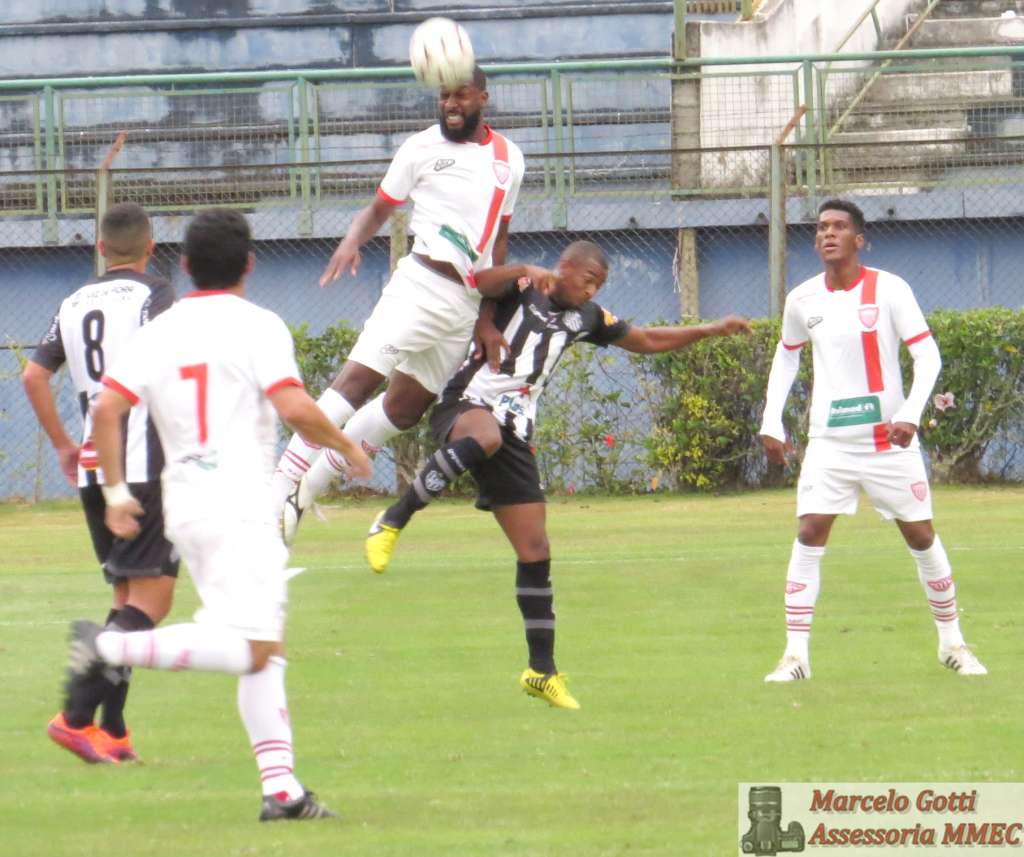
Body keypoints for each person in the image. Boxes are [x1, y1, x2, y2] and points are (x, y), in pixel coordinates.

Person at [62, 209, 372, 821]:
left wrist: (119, 490)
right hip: (239, 504)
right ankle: (111, 648)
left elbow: (107, 409)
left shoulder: (159, 331)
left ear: (182, 265)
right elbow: (292, 405)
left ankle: (281, 789)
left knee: (267, 646)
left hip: (184, 504)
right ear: (250, 264)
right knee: (253, 649)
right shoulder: (258, 325)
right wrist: (346, 446)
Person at [362, 240, 751, 709]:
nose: (591, 291)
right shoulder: (524, 284)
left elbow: (645, 341)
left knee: (535, 550)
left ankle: (541, 672)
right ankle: (392, 520)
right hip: (468, 404)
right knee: (483, 437)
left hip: (517, 430)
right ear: (565, 268)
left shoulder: (587, 318)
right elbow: (480, 284)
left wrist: (710, 330)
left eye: (599, 286)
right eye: (588, 280)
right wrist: (521, 270)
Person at [272, 65, 525, 543]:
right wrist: (352, 239)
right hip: (420, 283)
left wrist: (486, 319)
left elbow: (499, 243)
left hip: (465, 303)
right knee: (356, 381)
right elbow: (379, 208)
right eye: (444, 95)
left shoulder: (510, 159)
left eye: (461, 95)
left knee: (404, 410)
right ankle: (278, 489)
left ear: (483, 98)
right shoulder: (420, 147)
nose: (451, 104)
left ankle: (306, 491)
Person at [758, 198, 987, 683]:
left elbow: (928, 357)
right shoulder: (802, 299)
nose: (828, 234)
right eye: (822, 228)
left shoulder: (890, 289)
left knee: (921, 535)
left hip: (889, 443)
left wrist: (910, 414)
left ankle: (953, 644)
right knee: (808, 532)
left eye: (840, 227)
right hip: (829, 444)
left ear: (859, 239)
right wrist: (771, 421)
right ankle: (795, 657)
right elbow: (787, 358)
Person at [23, 202, 179, 764]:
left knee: (124, 597)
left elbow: (34, 374)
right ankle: (74, 715)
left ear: (99, 247)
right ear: (150, 245)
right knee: (152, 603)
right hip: (143, 463)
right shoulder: (156, 295)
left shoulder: (72, 302)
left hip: (95, 465)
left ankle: (112, 730)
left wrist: (65, 443)